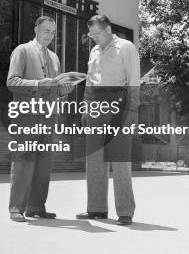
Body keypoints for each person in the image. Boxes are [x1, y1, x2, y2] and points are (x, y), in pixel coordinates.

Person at [7, 16, 73, 222]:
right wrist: (37, 84)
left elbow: (56, 87)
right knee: (24, 161)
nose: (50, 36)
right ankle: (16, 208)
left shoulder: (54, 57)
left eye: (53, 33)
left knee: (44, 163)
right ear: (36, 29)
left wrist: (64, 90)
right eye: (46, 31)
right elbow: (12, 82)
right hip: (27, 115)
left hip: (48, 116)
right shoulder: (22, 50)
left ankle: (36, 206)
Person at [76, 14, 140, 226]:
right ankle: (96, 209)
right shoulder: (94, 50)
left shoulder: (126, 47)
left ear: (108, 29)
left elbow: (133, 80)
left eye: (97, 33)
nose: (94, 38)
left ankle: (125, 212)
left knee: (120, 160)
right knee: (93, 160)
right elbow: (90, 82)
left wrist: (131, 111)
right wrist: (85, 107)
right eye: (91, 34)